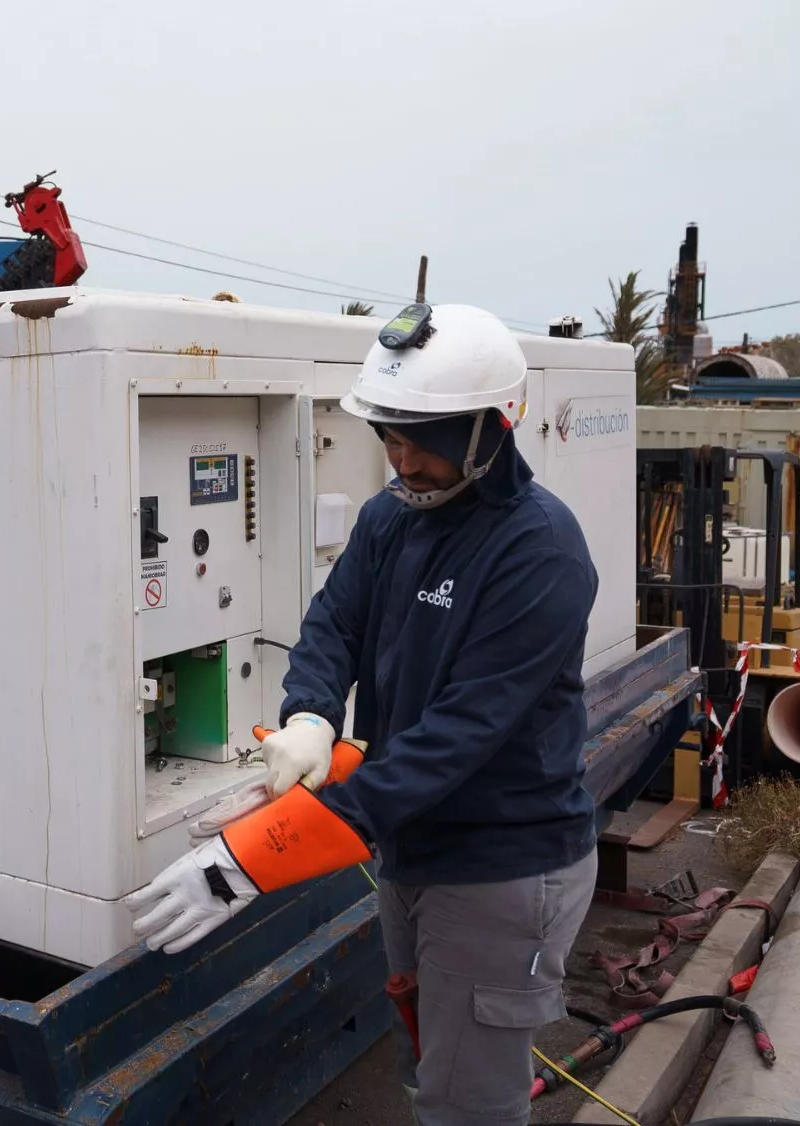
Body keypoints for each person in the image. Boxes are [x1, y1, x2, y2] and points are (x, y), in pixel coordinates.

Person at [122, 303, 599, 1126]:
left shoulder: (540, 552)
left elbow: (459, 739)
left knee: (470, 1102)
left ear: (491, 427)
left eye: (422, 438)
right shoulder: (393, 517)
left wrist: (251, 860)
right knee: (423, 1056)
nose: (400, 457)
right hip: (413, 846)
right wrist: (309, 716)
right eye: (389, 434)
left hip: (501, 863)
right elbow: (333, 626)